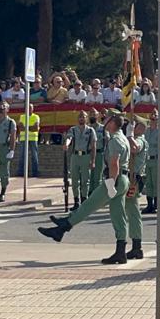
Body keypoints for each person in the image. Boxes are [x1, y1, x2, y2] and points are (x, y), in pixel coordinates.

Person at [37, 112, 133, 264]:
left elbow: (114, 163)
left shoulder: (115, 139)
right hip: (123, 179)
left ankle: (62, 227)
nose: (104, 122)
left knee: (89, 204)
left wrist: (110, 183)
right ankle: (120, 252)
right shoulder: (123, 138)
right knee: (118, 215)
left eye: (106, 119)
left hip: (114, 179)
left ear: (113, 122)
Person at [119, 116, 148, 260]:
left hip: (134, 179)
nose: (132, 127)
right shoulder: (132, 137)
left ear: (141, 128)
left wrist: (130, 135)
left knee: (133, 212)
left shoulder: (141, 139)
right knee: (130, 211)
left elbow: (135, 148)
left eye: (135, 125)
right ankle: (135, 246)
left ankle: (137, 247)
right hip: (129, 176)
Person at [65, 110, 97, 209]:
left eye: (83, 117)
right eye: (80, 117)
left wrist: (93, 160)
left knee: (85, 180)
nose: (81, 118)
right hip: (75, 156)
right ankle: (76, 201)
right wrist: (66, 144)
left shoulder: (90, 130)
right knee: (74, 180)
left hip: (85, 156)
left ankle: (84, 200)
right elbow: (69, 138)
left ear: (86, 118)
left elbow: (93, 146)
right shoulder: (73, 129)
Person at [0, 102, 17, 202]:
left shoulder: (10, 122)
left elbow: (13, 137)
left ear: (8, 110)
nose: (2, 109)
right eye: (1, 107)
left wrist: (12, 150)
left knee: (4, 172)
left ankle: (3, 193)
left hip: (4, 148)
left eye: (4, 107)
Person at [141, 111, 160, 215]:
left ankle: (157, 205)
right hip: (147, 160)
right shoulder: (146, 131)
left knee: (156, 183)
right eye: (151, 118)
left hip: (157, 160)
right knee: (149, 183)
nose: (153, 120)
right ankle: (149, 205)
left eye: (155, 118)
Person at [16, 108, 40, 177]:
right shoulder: (22, 116)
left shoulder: (36, 116)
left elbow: (36, 128)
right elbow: (20, 128)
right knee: (22, 155)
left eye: (31, 108)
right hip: (24, 138)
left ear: (32, 109)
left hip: (33, 138)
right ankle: (21, 172)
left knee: (34, 156)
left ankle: (35, 172)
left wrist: (25, 127)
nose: (29, 109)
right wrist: (30, 128)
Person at [89, 108, 106, 198]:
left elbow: (107, 140)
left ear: (98, 115)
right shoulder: (86, 128)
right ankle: (89, 195)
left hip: (99, 154)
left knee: (97, 177)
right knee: (89, 177)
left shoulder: (103, 128)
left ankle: (97, 196)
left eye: (94, 113)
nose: (92, 115)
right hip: (88, 154)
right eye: (91, 113)